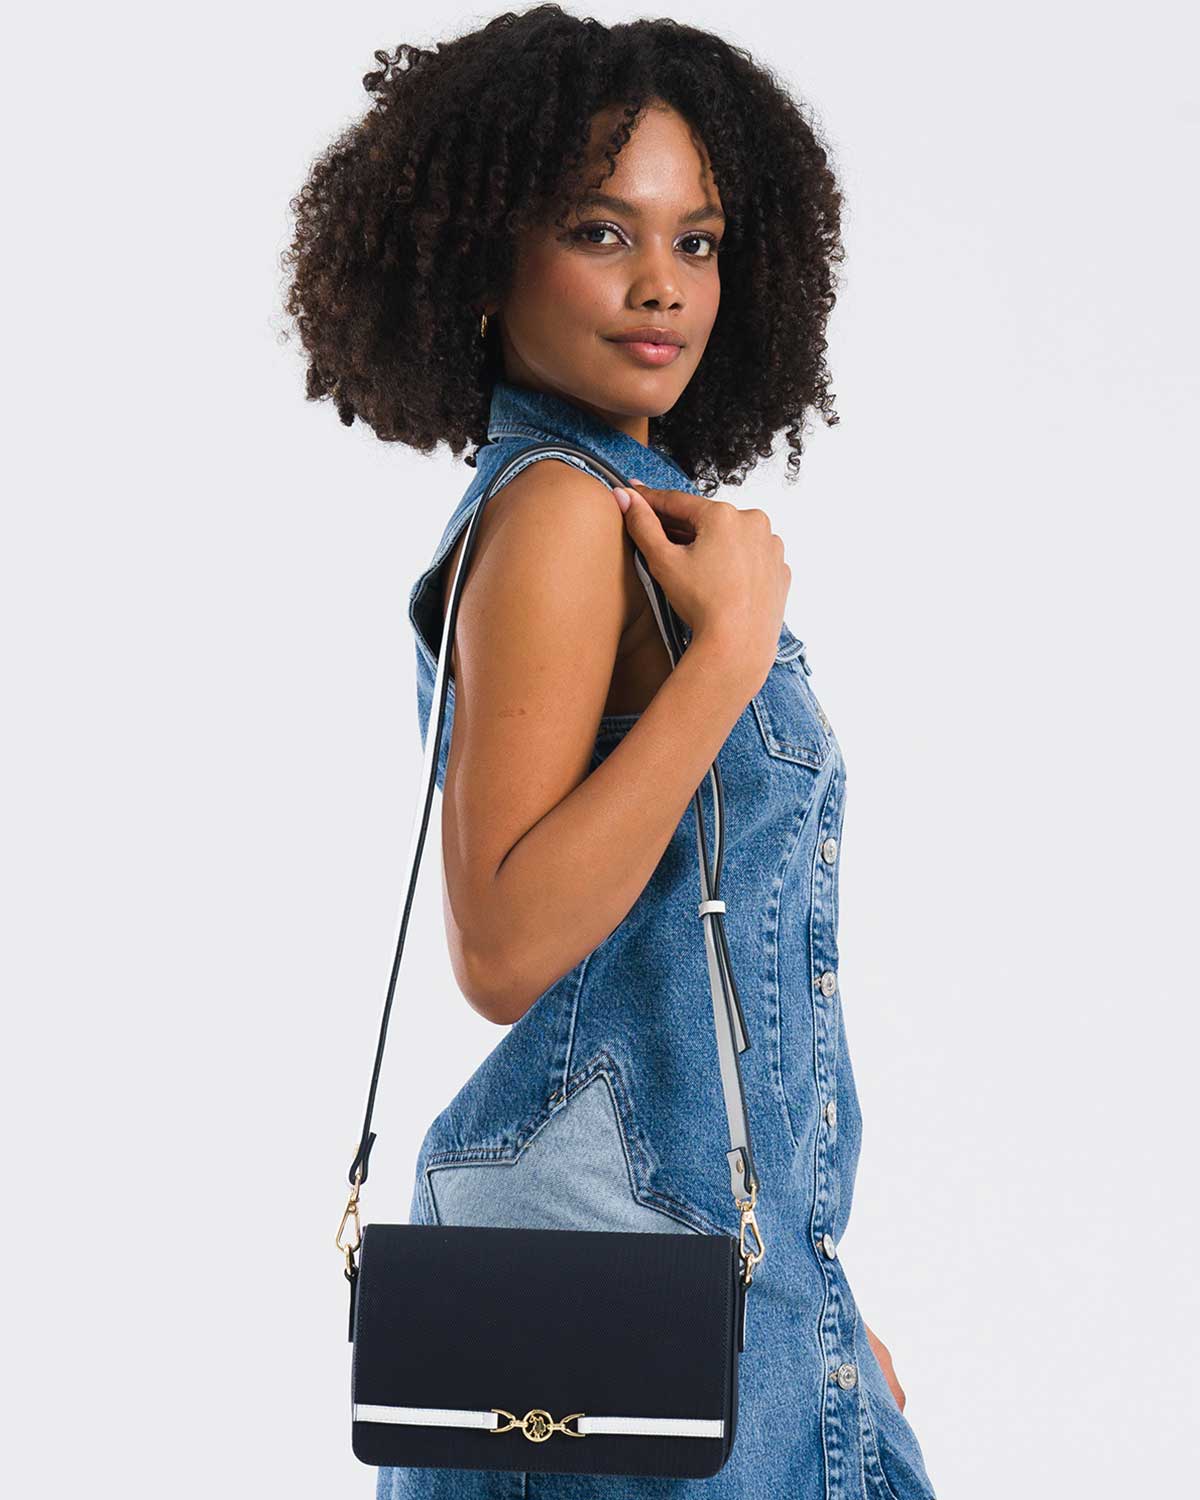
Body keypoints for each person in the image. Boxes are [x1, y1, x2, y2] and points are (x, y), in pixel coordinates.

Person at [284, 7, 939, 1496]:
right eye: (601, 231)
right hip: (600, 1308)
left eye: (696, 241)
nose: (664, 286)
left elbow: (695, 968)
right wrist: (729, 659)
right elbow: (504, 946)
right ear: (481, 261)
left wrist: (813, 1293)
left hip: (721, 1283)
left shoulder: (627, 507)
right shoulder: (560, 513)